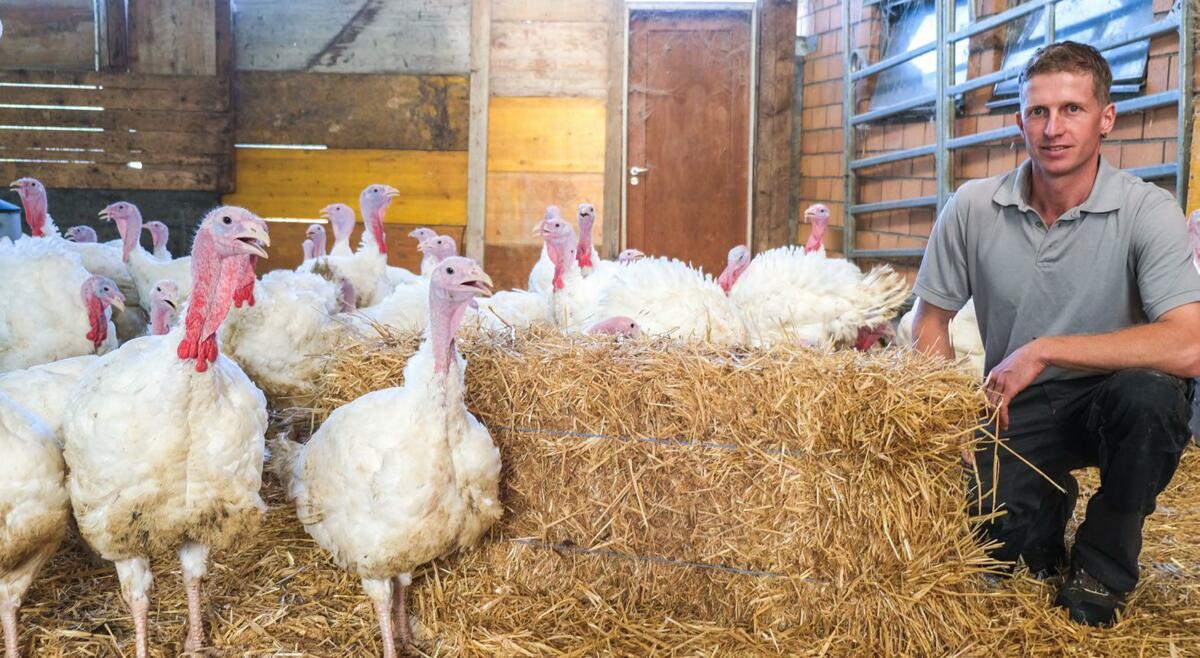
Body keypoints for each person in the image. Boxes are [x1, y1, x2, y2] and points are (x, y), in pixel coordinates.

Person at [910, 41, 1200, 626]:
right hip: (1017, 407)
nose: (1053, 128)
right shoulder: (972, 207)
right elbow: (930, 320)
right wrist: (941, 423)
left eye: (1072, 109)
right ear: (1020, 121)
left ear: (1106, 119)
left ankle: (1103, 561)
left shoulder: (1148, 210)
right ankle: (1041, 508)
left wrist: (1044, 349)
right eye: (1038, 112)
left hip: (1111, 395)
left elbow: (1190, 343)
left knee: (1150, 395)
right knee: (996, 554)